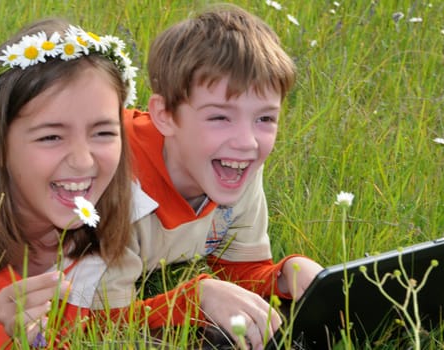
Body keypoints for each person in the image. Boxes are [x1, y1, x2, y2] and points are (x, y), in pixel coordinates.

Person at [0, 17, 148, 348]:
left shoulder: (108, 201)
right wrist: (8, 335)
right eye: (52, 136)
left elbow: (82, 327)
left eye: (103, 132)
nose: (84, 161)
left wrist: (193, 298)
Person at [112, 4, 324, 348]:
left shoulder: (233, 167)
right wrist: (195, 299)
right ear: (164, 115)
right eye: (220, 118)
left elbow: (239, 269)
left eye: (265, 119)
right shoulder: (112, 179)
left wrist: (284, 278)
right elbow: (89, 324)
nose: (247, 142)